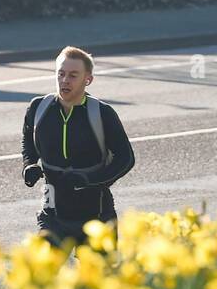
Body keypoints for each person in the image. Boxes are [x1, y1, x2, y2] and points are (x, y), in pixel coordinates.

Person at [22, 46, 135, 250]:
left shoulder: (102, 113)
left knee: (99, 281)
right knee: (42, 279)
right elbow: (28, 141)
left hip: (96, 217)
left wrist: (91, 180)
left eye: (73, 75)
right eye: (61, 73)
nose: (65, 80)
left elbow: (126, 158)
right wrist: (29, 165)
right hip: (53, 217)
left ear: (88, 79)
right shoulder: (38, 108)